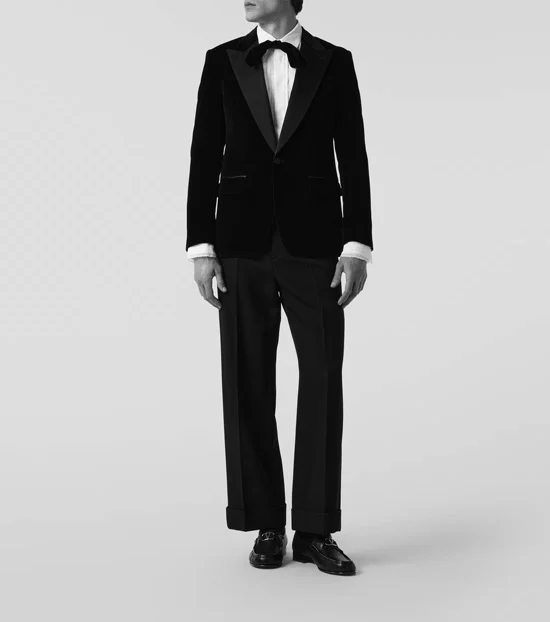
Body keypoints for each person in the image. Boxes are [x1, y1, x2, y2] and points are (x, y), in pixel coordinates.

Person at [186, 0, 373, 576]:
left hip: (315, 245)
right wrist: (201, 247)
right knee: (246, 381)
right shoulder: (221, 61)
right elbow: (203, 153)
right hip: (239, 244)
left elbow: (353, 154)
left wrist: (357, 245)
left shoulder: (334, 62)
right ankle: (266, 521)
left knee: (321, 379)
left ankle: (315, 529)